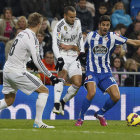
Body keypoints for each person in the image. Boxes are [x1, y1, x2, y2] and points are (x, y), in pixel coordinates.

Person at [75, 15, 140, 126]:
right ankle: (80, 119)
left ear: (110, 26)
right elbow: (80, 49)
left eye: (107, 25)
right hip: (92, 72)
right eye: (103, 25)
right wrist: (77, 62)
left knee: (116, 96)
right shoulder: (91, 36)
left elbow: (132, 42)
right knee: (92, 92)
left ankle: (100, 114)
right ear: (99, 25)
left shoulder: (113, 36)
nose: (105, 27)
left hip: (105, 73)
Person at [0, 12, 60, 128]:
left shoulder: (22, 34)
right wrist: (50, 75)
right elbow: (37, 60)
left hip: (7, 70)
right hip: (17, 72)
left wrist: (28, 62)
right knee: (44, 91)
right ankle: (38, 122)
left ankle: (38, 122)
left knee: (9, 100)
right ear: (38, 24)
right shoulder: (32, 37)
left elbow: (21, 53)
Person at [52, 6, 84, 115]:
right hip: (62, 55)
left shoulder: (78, 22)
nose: (73, 19)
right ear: (65, 16)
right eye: (71, 17)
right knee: (62, 75)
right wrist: (59, 58)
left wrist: (82, 51)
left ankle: (62, 102)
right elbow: (55, 45)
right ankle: (56, 104)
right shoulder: (59, 26)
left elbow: (79, 37)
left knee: (77, 83)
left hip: (74, 56)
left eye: (74, 17)